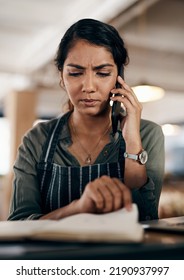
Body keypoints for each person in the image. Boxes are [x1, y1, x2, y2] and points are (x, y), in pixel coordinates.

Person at [8, 18, 165, 221]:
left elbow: (145, 219)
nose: (88, 86)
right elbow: (18, 224)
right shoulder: (37, 140)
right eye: (75, 73)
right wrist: (79, 208)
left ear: (119, 76)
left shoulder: (147, 134)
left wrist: (132, 144)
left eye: (102, 73)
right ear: (62, 77)